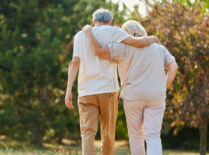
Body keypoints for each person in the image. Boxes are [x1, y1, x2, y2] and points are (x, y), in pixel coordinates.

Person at [65, 8, 160, 155]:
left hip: (85, 91)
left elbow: (74, 63)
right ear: (109, 20)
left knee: (87, 133)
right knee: (108, 133)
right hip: (108, 90)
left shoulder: (80, 36)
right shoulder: (114, 31)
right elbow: (138, 43)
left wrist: (68, 91)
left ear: (93, 20)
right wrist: (152, 38)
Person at [82, 20, 178, 155]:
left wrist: (88, 32)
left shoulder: (121, 47)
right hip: (156, 95)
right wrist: (164, 86)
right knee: (153, 136)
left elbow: (98, 51)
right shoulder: (159, 48)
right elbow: (173, 67)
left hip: (133, 96)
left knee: (136, 137)